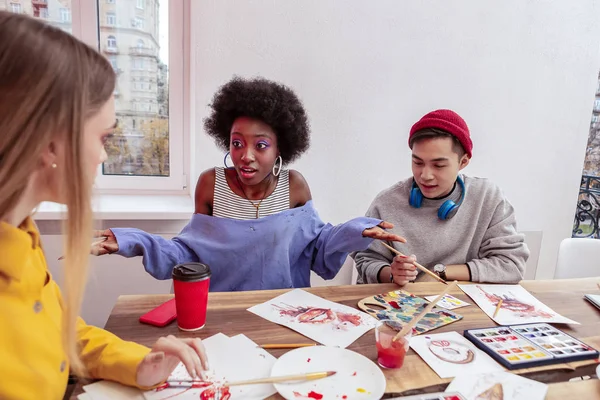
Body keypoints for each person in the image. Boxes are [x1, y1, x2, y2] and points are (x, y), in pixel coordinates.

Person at [0, 12, 207, 399]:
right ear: (50, 144)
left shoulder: (20, 234)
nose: (102, 157)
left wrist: (139, 364)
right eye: (103, 137)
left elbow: (63, 332)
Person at [94, 77, 405, 291]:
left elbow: (317, 249)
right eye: (237, 143)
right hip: (222, 313)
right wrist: (133, 240)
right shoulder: (210, 184)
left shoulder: (294, 187)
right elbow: (187, 255)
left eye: (261, 145)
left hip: (286, 312)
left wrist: (355, 231)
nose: (246, 156)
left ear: (281, 147)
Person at [353, 109, 529, 286]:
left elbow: (511, 264)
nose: (425, 175)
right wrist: (392, 274)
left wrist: (440, 273)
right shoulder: (386, 202)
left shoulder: (488, 197)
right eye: (417, 162)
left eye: (438, 165)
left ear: (463, 162)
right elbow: (366, 260)